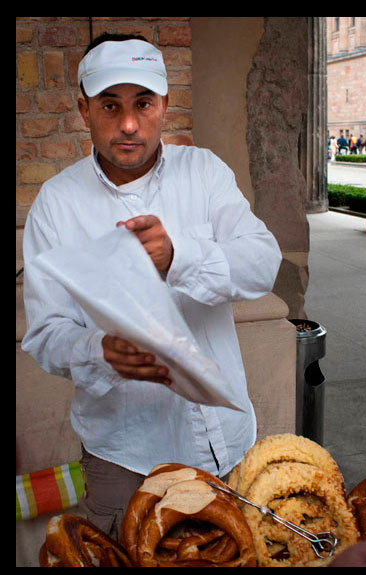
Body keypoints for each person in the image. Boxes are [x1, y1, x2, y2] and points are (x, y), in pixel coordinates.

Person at [21, 33, 282, 539]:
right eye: (109, 105)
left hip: (226, 449)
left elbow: (263, 263)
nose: (128, 124)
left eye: (143, 103)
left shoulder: (204, 174)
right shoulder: (56, 204)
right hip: (125, 460)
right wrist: (99, 350)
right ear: (83, 109)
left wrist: (178, 257)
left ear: (164, 104)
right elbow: (46, 334)